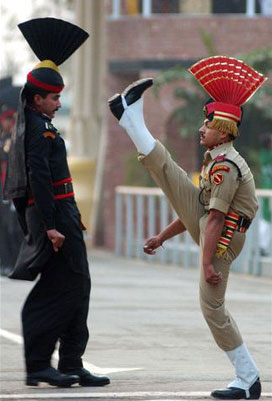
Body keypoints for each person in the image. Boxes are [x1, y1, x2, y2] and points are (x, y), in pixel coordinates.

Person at [108, 56, 268, 400]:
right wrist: (163, 237)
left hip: (224, 241)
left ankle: (248, 378)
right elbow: (195, 211)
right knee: (171, 174)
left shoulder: (227, 167)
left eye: (207, 123)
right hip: (214, 229)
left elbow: (215, 219)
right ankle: (131, 119)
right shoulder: (215, 160)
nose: (201, 128)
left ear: (223, 130)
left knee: (212, 308)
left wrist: (208, 262)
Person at [7, 18, 110, 388]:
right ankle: (38, 364)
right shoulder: (36, 129)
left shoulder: (43, 124)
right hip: (52, 218)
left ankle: (70, 361)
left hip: (64, 215)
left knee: (78, 284)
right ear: (37, 99)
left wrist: (67, 217)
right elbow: (39, 180)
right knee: (60, 287)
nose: (59, 102)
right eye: (54, 97)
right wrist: (50, 225)